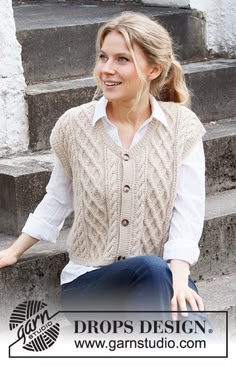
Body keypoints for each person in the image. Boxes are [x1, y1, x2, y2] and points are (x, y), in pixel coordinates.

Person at [0, 12, 206, 320]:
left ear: (153, 70)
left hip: (159, 278)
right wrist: (14, 251)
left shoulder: (182, 128)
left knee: (188, 318)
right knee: (154, 274)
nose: (106, 69)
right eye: (102, 57)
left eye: (122, 59)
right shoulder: (76, 126)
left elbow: (187, 212)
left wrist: (179, 278)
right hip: (90, 285)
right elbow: (57, 199)